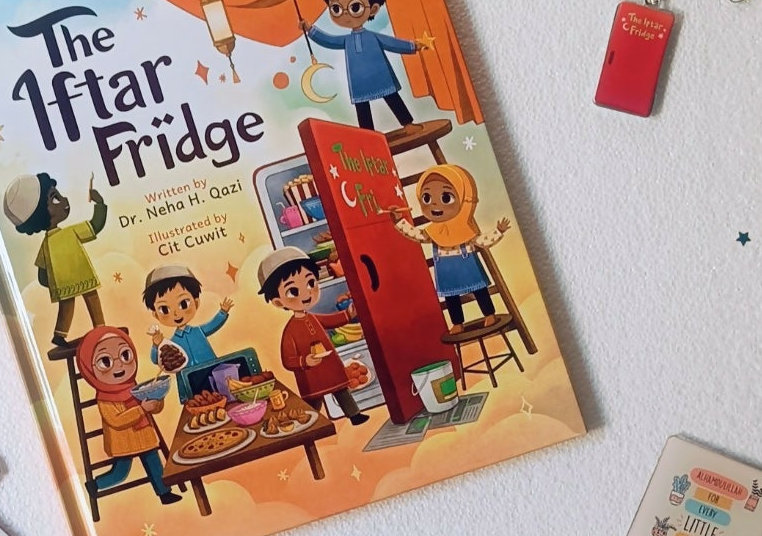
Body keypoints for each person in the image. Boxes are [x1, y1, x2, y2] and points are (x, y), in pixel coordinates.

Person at [299, 0, 429, 132]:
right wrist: (310, 30)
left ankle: (407, 124)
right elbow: (329, 40)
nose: (345, 14)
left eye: (355, 7)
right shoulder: (346, 40)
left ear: (373, 9)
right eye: (336, 8)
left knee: (392, 98)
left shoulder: (373, 37)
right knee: (362, 108)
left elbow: (392, 43)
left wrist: (412, 46)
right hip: (358, 81)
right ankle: (368, 135)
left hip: (381, 76)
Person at [389, 165, 511, 333]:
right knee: (451, 297)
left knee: (480, 290)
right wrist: (399, 221)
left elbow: (481, 241)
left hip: (467, 265)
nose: (435, 204)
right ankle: (457, 323)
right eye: (426, 198)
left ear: (463, 198)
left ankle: (489, 314)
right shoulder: (433, 230)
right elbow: (417, 234)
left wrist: (498, 231)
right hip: (446, 271)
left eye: (446, 197)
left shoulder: (465, 227)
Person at [258, 247, 368, 425]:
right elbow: (288, 360)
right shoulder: (290, 330)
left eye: (310, 283)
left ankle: (354, 415)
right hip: (310, 375)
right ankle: (309, 423)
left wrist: (348, 314)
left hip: (329, 367)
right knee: (313, 401)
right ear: (278, 302)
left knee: (341, 391)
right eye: (293, 291)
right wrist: (305, 361)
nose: (306, 293)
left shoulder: (313, 317)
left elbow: (330, 320)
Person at [75, 326, 181, 505]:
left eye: (125, 355)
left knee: (155, 464)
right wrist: (141, 410)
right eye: (105, 362)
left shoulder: (135, 388)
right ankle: (95, 485)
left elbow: (153, 409)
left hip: (144, 436)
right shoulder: (104, 399)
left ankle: (164, 493)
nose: (119, 365)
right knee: (121, 473)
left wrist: (157, 400)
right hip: (123, 442)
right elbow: (116, 420)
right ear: (90, 370)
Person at [3, 172, 107, 347]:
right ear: (42, 214)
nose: (64, 199)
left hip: (64, 284)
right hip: (83, 277)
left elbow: (42, 274)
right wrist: (100, 203)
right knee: (91, 298)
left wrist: (55, 282)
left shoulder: (46, 244)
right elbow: (96, 225)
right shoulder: (70, 233)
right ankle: (100, 327)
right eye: (55, 199)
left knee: (67, 305)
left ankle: (60, 335)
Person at [143, 265, 233, 401]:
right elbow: (156, 359)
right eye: (164, 309)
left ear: (196, 303)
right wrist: (156, 345)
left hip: (211, 373)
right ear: (156, 315)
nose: (176, 314)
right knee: (195, 403)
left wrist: (223, 312)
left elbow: (212, 325)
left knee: (220, 396)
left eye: (184, 304)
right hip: (188, 382)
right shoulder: (171, 344)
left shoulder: (198, 331)